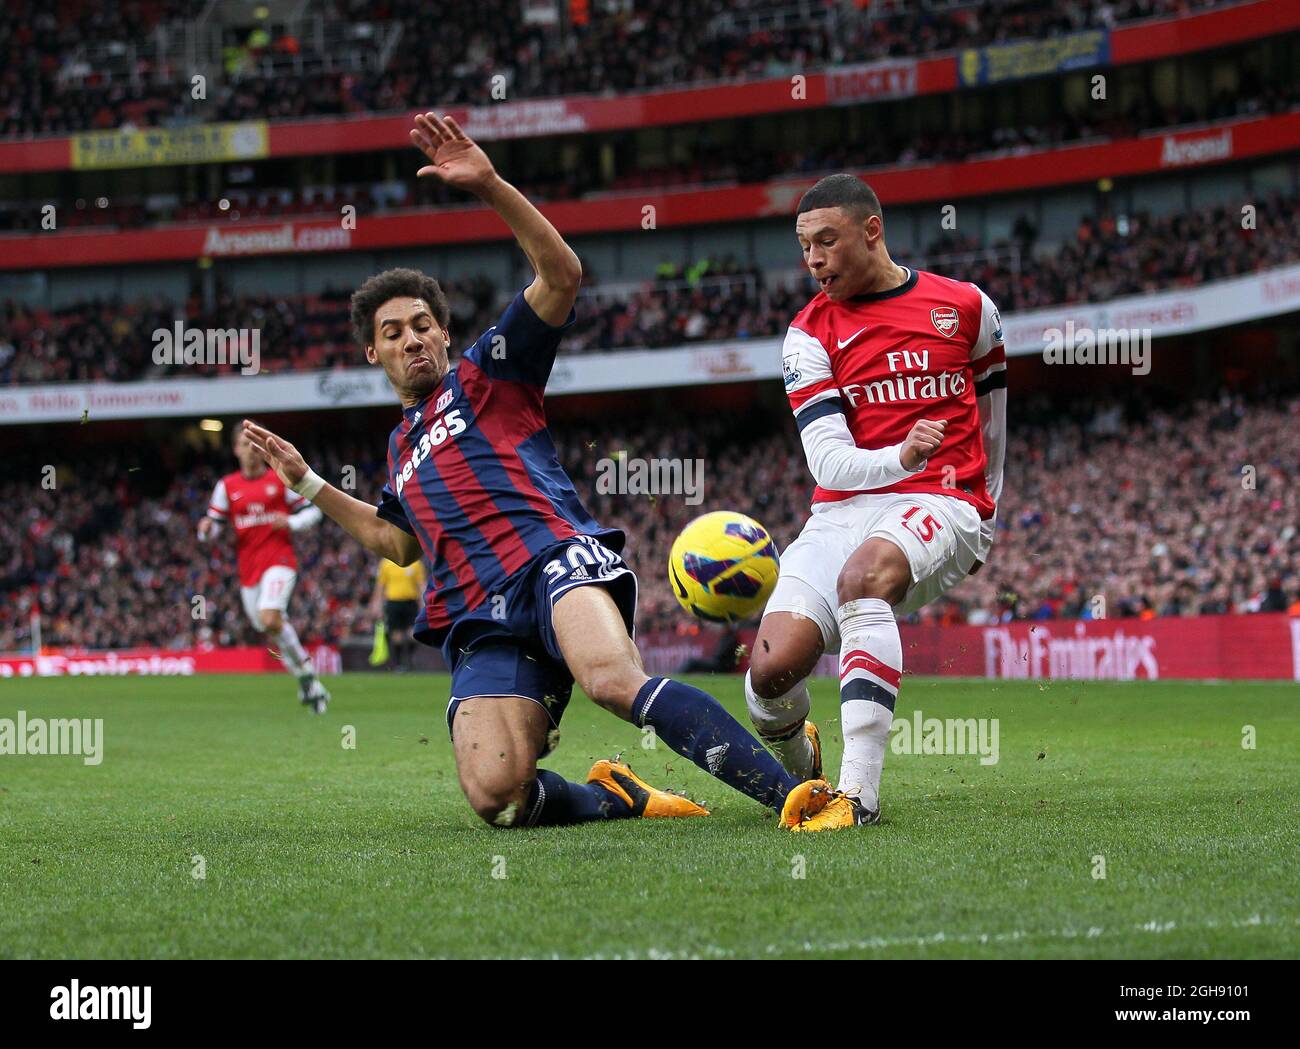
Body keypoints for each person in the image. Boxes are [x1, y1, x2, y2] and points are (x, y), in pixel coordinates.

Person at [243, 112, 823, 829]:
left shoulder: (489, 369)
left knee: (612, 679)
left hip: (550, 561)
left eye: (422, 323)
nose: (411, 338)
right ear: (374, 354)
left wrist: (489, 185)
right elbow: (395, 543)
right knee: (499, 797)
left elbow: (562, 274)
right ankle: (620, 796)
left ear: (444, 332)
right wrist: (307, 482)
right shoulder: (398, 450)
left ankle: (795, 799)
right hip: (479, 618)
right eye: (391, 333)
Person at [746, 173, 1008, 830]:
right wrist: (901, 455)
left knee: (864, 579)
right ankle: (803, 763)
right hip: (843, 507)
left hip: (939, 500)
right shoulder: (806, 336)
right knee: (769, 671)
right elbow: (828, 461)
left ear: (872, 230)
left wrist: (985, 505)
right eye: (804, 246)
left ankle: (856, 797)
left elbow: (994, 413)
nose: (813, 260)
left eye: (826, 242)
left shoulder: (967, 308)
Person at [197, 419, 331, 712]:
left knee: (270, 618)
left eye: (254, 444)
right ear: (235, 449)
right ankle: (308, 678)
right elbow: (215, 527)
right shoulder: (227, 486)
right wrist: (206, 529)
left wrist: (291, 522)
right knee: (267, 625)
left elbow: (314, 513)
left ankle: (306, 675)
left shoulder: (278, 479)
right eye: (244, 445)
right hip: (248, 569)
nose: (250, 450)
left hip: (280, 560)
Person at [369, 557, 427, 671]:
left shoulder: (415, 563)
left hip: (411, 602)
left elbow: (421, 585)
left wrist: (424, 604)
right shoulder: (386, 563)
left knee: (413, 635)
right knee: (397, 636)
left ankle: (409, 660)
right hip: (393, 603)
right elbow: (380, 586)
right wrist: (377, 605)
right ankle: (399, 663)